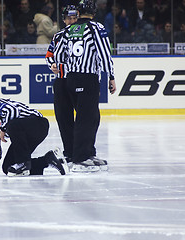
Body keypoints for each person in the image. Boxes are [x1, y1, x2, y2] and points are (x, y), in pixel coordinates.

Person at [53, 0, 116, 172]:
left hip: (71, 79)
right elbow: (104, 53)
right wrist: (111, 75)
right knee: (86, 119)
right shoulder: (96, 28)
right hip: (88, 78)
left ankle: (88, 153)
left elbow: (58, 55)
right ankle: (81, 158)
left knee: (91, 117)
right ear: (94, 13)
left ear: (79, 12)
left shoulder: (67, 30)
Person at [0, 99, 69, 177]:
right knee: (8, 168)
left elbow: (13, 111)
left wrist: (3, 129)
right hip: (24, 137)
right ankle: (48, 159)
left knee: (12, 126)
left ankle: (23, 164)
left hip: (38, 125)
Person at [45, 5, 77, 168]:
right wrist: (51, 65)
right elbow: (49, 56)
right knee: (64, 119)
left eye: (74, 18)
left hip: (78, 80)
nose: (71, 21)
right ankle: (69, 152)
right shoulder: (58, 36)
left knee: (83, 119)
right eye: (68, 18)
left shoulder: (85, 35)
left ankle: (81, 151)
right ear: (63, 20)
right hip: (61, 81)